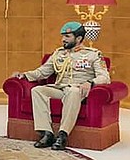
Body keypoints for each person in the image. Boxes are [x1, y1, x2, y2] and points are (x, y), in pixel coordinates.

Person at [11, 21, 110, 150]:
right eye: (63, 36)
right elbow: (43, 72)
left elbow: (105, 77)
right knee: (37, 90)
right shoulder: (58, 53)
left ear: (78, 38)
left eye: (67, 36)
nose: (63, 39)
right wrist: (24, 75)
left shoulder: (93, 54)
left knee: (73, 92)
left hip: (79, 90)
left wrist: (90, 83)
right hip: (60, 88)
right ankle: (46, 133)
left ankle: (63, 135)